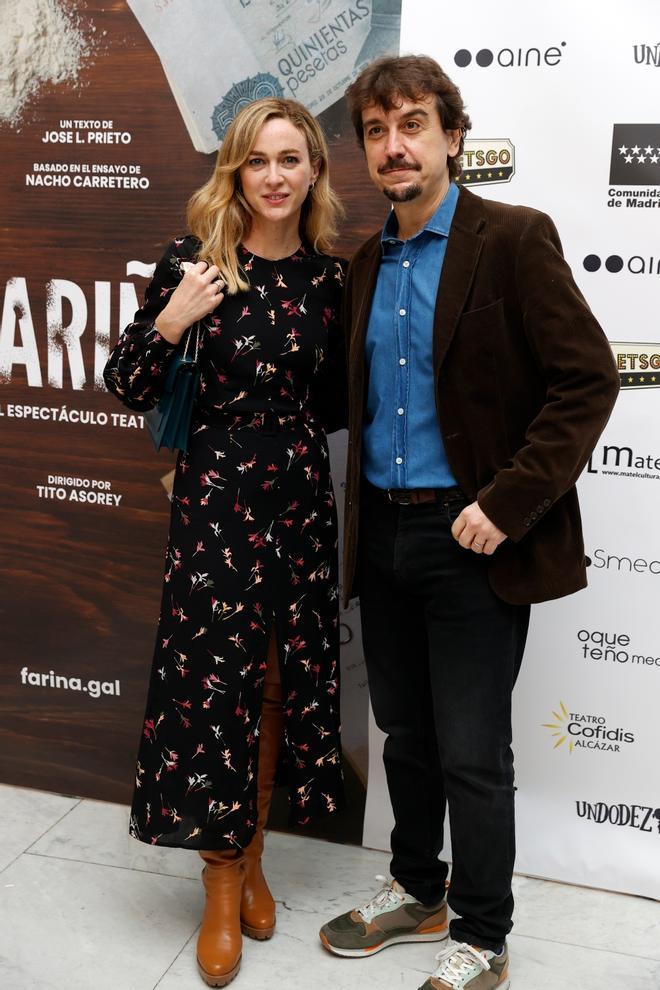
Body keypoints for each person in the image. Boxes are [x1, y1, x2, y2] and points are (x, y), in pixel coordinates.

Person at [319, 55, 619, 990]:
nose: (393, 145)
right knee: (406, 733)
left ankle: (484, 934)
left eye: (412, 123)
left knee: (474, 751)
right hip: (386, 537)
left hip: (471, 540)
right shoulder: (365, 264)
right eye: (376, 130)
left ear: (453, 136)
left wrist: (505, 503)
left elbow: (588, 380)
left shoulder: (514, 239)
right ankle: (419, 888)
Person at [104, 97, 346, 988]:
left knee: (281, 681)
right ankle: (217, 883)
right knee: (218, 691)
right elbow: (127, 382)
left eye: (291, 159)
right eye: (258, 161)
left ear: (315, 169)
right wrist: (174, 318)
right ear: (234, 173)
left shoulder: (331, 280)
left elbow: (337, 403)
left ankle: (253, 857)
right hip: (215, 501)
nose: (275, 177)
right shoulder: (192, 263)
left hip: (301, 500)